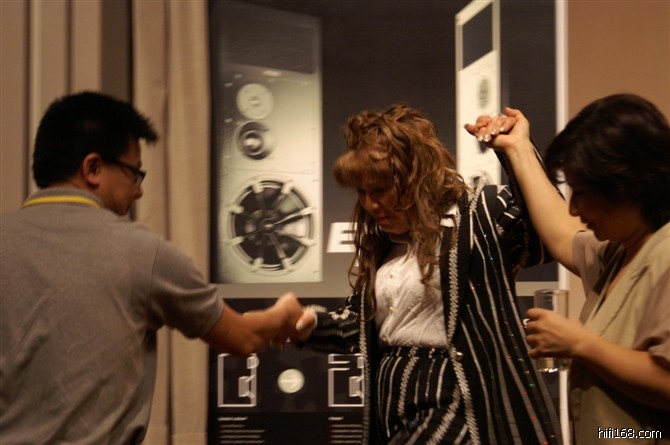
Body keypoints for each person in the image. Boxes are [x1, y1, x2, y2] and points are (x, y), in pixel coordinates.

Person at [0, 91, 304, 444]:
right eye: (134, 173)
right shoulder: (144, 254)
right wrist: (285, 312)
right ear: (93, 168)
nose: (139, 191)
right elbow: (243, 337)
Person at [295, 104, 562, 444]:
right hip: (391, 404)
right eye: (361, 192)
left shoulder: (479, 214)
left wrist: (517, 151)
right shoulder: (384, 247)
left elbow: (546, 238)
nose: (370, 205)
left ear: (416, 177)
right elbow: (359, 326)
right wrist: (304, 323)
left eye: (379, 190)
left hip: (456, 398)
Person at [465, 93, 670, 444]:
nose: (574, 209)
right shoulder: (622, 252)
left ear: (626, 187)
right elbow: (562, 234)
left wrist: (580, 343)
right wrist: (518, 149)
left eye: (582, 192)